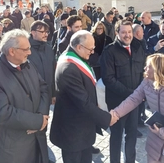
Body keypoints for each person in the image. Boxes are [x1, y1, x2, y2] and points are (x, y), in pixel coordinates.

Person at [0, 29, 50, 163]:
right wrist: (37, 121)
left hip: (36, 140)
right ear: (12, 51)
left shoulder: (27, 64)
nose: (30, 53)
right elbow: (2, 113)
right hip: (13, 149)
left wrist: (42, 116)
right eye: (26, 49)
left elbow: (43, 88)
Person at [112, 53, 164, 163]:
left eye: (148, 66)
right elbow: (133, 99)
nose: (144, 68)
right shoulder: (147, 82)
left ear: (158, 69)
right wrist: (115, 114)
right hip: (155, 138)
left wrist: (163, 132)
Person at [50, 30, 116, 163]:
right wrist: (107, 118)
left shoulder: (76, 57)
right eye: (90, 49)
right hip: (72, 133)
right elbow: (83, 102)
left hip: (82, 130)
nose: (92, 52)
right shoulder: (68, 67)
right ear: (79, 47)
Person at [101, 20, 146, 163]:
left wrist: (141, 92)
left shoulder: (139, 48)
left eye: (129, 32)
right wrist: (132, 94)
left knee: (132, 135)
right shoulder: (109, 51)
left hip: (134, 102)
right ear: (117, 33)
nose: (127, 35)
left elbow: (144, 72)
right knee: (116, 136)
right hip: (117, 102)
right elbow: (108, 79)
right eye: (124, 32)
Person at [29, 21, 56, 104]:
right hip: (31, 97)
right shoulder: (26, 49)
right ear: (33, 32)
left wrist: (53, 93)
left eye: (47, 32)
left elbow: (53, 72)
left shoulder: (49, 49)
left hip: (47, 95)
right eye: (42, 32)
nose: (46, 34)